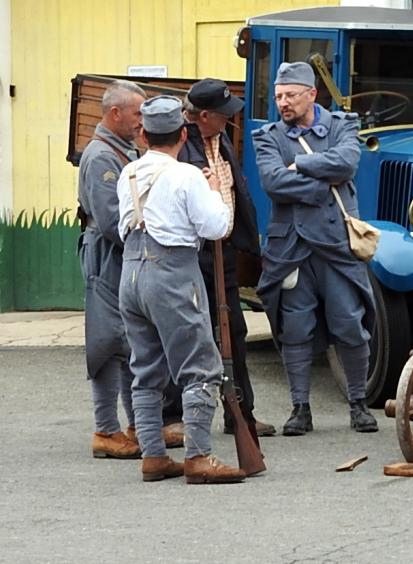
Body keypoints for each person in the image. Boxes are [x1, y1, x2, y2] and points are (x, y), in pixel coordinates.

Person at [117, 95, 245, 484]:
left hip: (131, 273)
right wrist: (214, 190)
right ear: (183, 132)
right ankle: (199, 457)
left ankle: (154, 456)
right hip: (172, 272)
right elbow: (217, 226)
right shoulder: (187, 175)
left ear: (143, 134)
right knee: (201, 369)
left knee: (145, 369)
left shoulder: (130, 173)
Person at [252, 62, 378, 436]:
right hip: (291, 247)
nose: (283, 103)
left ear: (312, 93)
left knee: (350, 324)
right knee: (295, 328)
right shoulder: (267, 136)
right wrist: (321, 185)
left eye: (290, 95)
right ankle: (300, 408)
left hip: (337, 244)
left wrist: (301, 164)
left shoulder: (343, 125)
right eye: (278, 96)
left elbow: (348, 163)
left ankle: (359, 405)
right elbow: (273, 182)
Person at [174, 79, 277, 438]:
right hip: (194, 256)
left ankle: (241, 415)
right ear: (203, 116)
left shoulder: (218, 141)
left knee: (234, 331)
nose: (231, 119)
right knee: (189, 335)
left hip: (226, 251)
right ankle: (174, 419)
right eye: (223, 114)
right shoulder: (182, 145)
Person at [76, 79, 150, 460]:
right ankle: (106, 430)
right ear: (115, 113)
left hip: (120, 253)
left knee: (128, 341)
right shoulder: (102, 156)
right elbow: (110, 221)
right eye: (138, 113)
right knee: (108, 341)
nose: (143, 120)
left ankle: (137, 425)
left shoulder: (123, 148)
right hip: (108, 253)